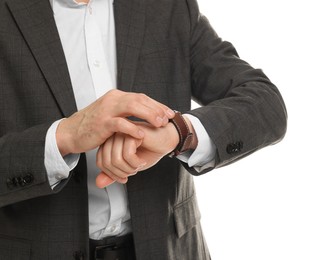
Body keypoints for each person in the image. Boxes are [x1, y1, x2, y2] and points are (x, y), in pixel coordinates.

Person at [0, 0, 287, 259]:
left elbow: (266, 105)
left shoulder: (168, 6)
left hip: (170, 249)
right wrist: (65, 137)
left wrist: (177, 133)